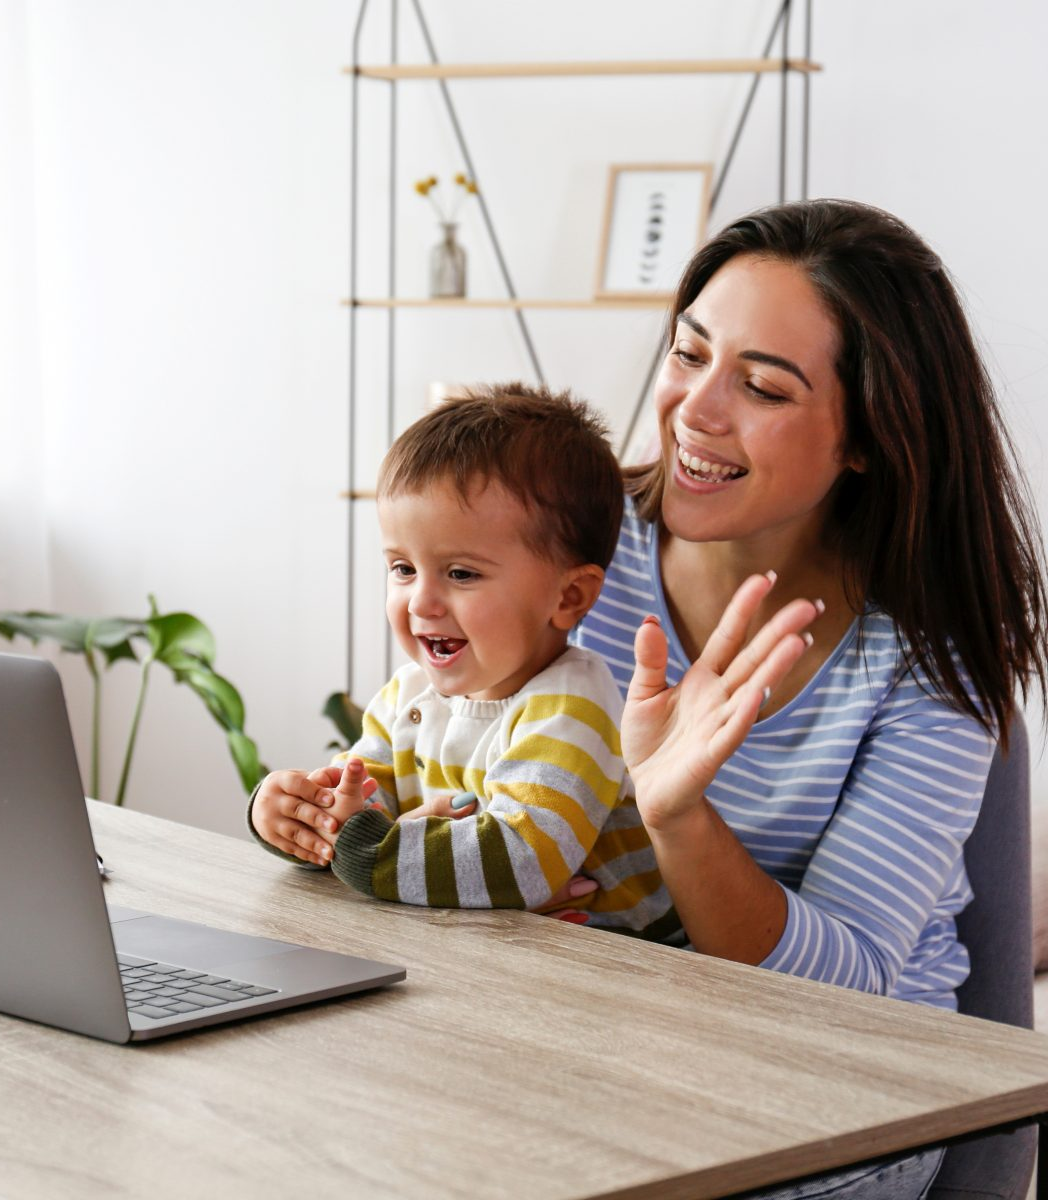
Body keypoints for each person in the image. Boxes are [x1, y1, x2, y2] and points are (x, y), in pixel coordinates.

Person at [566, 197, 1048, 1198]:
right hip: (603, 1063)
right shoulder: (568, 542)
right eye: (689, 354)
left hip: (830, 1113)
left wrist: (679, 817)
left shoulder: (931, 654)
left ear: (867, 437)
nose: (697, 410)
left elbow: (850, 988)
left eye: (764, 388)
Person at [247, 386, 670, 933]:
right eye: (402, 568)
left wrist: (370, 849)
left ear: (568, 598)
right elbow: (359, 817)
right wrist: (296, 817)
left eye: (461, 573)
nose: (420, 601)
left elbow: (519, 863)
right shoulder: (407, 697)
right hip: (491, 955)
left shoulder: (573, 703)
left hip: (626, 971)